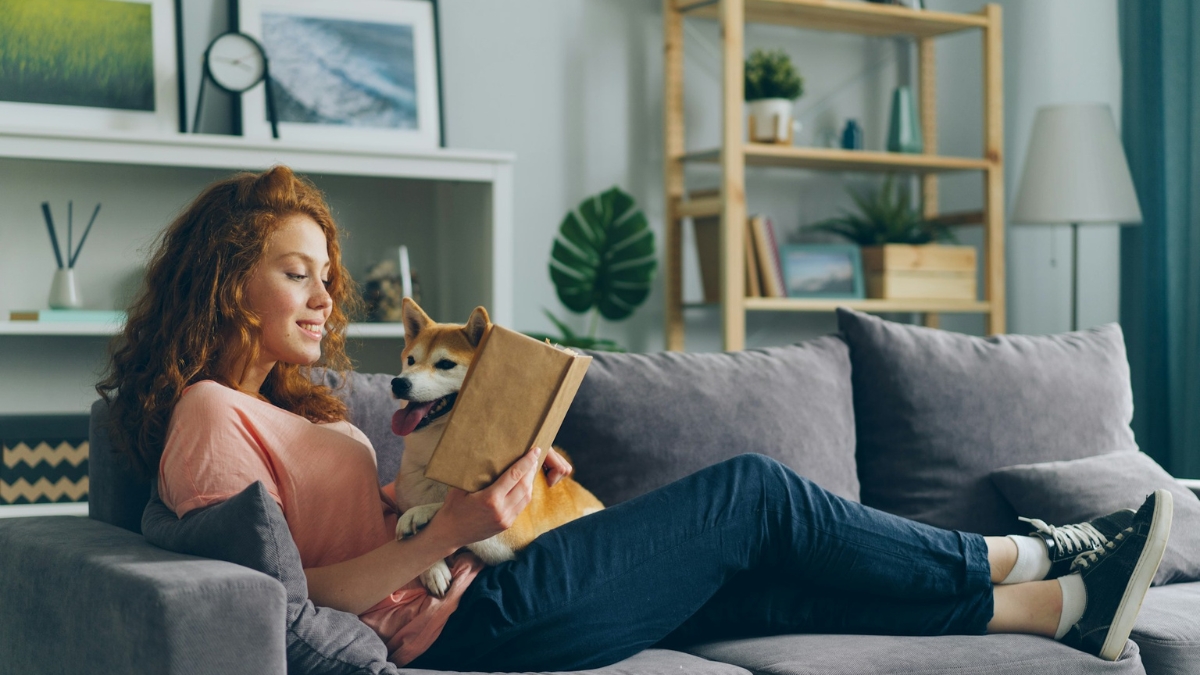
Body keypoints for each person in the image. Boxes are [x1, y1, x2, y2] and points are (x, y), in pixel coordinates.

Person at [98, 166, 1173, 672]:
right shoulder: (209, 415)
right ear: (227, 278)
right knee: (751, 492)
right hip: (464, 627)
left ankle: (1068, 604)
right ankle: (1018, 555)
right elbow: (279, 606)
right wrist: (454, 530)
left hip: (480, 579)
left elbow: (362, 532)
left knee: (771, 586)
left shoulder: (303, 407)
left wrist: (488, 480)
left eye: (328, 275)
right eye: (299, 273)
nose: (329, 297)